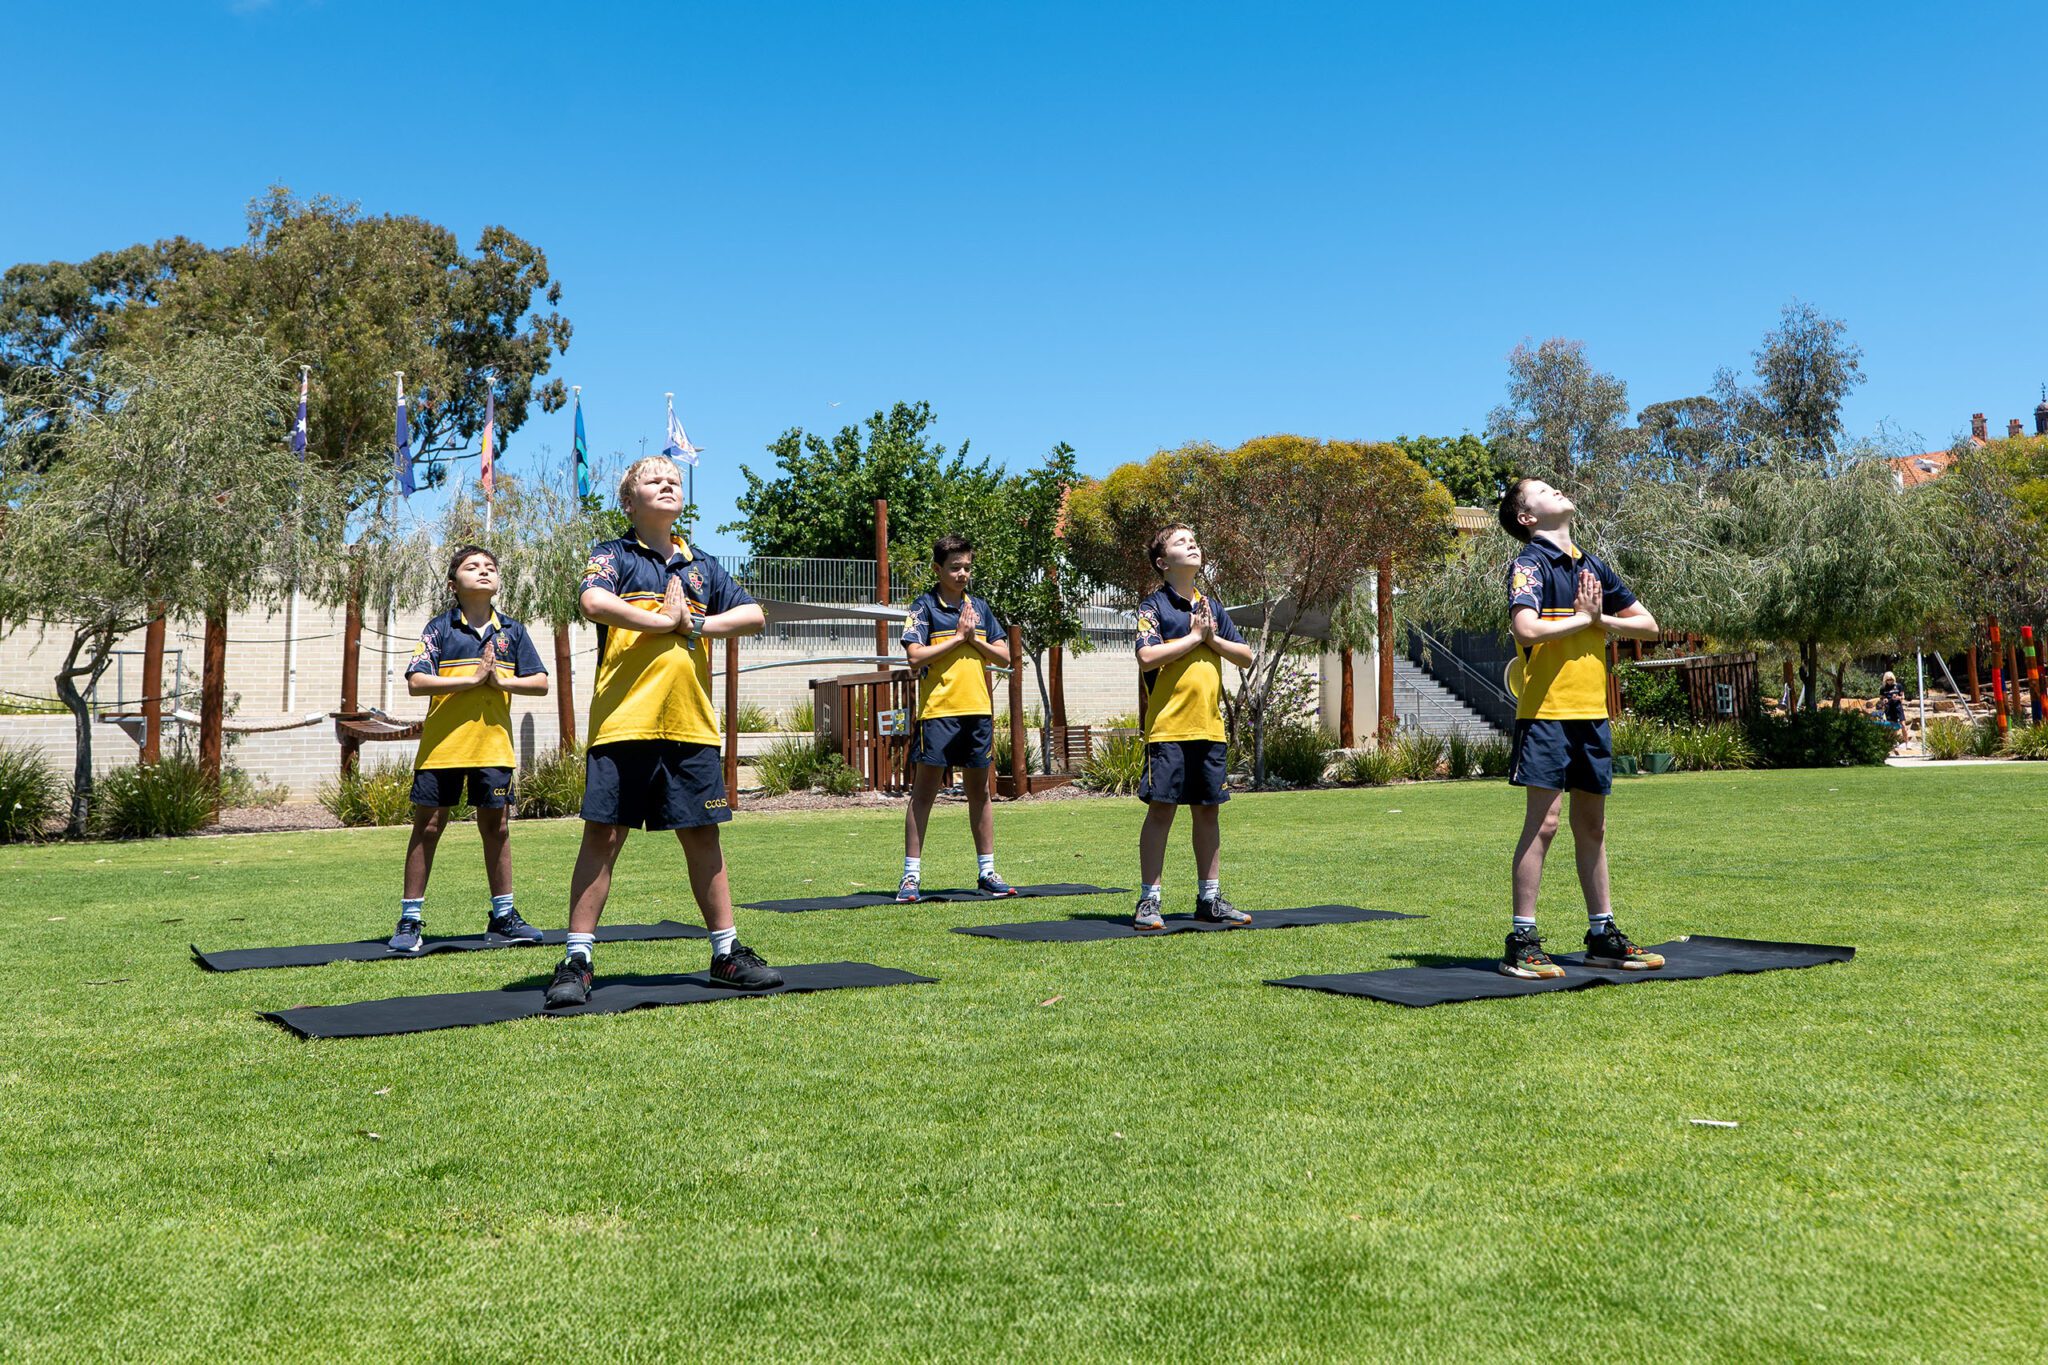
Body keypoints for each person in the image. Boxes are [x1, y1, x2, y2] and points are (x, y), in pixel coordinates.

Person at [543, 457, 778, 1008]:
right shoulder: (614, 555)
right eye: (653, 480)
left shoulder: (704, 568)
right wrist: (660, 620)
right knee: (603, 836)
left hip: (691, 726)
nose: (668, 484)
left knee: (703, 837)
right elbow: (593, 601)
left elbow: (753, 615)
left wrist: (693, 621)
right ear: (629, 502)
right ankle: (577, 959)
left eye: (673, 480)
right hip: (624, 724)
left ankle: (726, 953)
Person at [1498, 478, 1667, 978]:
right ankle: (1522, 940)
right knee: (1544, 824)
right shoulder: (1529, 563)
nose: (1555, 491)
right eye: (1542, 491)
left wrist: (1601, 621)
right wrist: (1582, 619)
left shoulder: (1592, 565)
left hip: (1592, 713)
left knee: (1593, 825)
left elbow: (1649, 625)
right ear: (1527, 518)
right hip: (1545, 712)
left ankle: (1602, 935)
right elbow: (1525, 629)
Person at [390, 545, 550, 952]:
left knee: (496, 828)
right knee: (427, 828)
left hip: (494, 750)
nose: (484, 571)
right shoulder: (439, 629)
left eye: (490, 567)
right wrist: (471, 679)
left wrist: (500, 682)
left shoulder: (512, 632)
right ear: (452, 584)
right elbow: (416, 682)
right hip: (442, 750)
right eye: (472, 566)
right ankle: (409, 921)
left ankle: (503, 917)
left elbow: (540, 682)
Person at [1129, 524, 1257, 930]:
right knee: (1162, 811)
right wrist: (1194, 637)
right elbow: (1146, 657)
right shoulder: (1153, 607)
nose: (1193, 544)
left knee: (1208, 813)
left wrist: (1211, 639)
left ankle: (1210, 898)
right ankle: (1149, 902)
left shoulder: (1212, 608)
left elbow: (1246, 656)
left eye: (1195, 540)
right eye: (1182, 542)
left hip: (1210, 730)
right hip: (1168, 730)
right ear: (1163, 562)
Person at [897, 534, 1016, 902]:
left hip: (977, 713)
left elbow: (1005, 656)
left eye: (967, 566)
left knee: (980, 792)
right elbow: (915, 657)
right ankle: (911, 877)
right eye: (955, 567)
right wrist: (959, 637)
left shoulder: (979, 607)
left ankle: (987, 872)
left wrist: (974, 640)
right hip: (938, 714)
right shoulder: (923, 608)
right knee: (924, 794)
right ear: (937, 569)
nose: (963, 573)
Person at [1879, 670, 1907, 743]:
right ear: (1885, 680)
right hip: (1889, 708)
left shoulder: (1898, 686)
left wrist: (1898, 697)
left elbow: (1903, 697)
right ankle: (1893, 742)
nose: (1889, 681)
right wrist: (1884, 700)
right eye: (1888, 680)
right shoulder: (1883, 688)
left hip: (1898, 707)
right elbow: (1881, 698)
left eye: (1891, 679)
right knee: (1892, 726)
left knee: (1903, 724)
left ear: (1893, 679)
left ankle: (1906, 742)